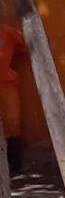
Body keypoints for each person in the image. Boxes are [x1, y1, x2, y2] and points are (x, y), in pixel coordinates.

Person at [0, 20, 25, 179]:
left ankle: (14, 165)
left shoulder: (8, 32)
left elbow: (29, 45)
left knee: (12, 122)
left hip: (6, 84)